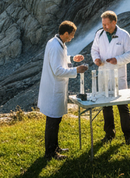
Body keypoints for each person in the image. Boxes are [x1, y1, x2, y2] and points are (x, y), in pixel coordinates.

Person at [38, 20, 88, 160]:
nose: (73, 37)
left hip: (55, 88)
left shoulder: (57, 43)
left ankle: (55, 147)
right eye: (72, 34)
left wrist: (72, 59)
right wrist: (76, 70)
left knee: (56, 120)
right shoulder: (55, 46)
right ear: (66, 33)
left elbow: (60, 60)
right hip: (54, 89)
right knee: (52, 122)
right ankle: (50, 153)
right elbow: (57, 70)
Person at [91, 11, 130, 145]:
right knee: (106, 105)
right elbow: (94, 50)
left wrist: (117, 59)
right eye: (103, 24)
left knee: (122, 105)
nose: (105, 27)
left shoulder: (124, 35)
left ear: (114, 22)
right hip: (104, 73)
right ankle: (109, 134)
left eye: (107, 24)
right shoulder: (99, 34)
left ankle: (129, 136)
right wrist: (96, 59)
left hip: (118, 73)